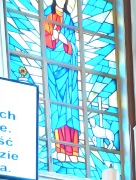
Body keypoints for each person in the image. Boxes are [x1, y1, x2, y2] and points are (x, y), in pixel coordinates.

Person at [44, 0, 81, 163]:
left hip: (68, 72)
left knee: (70, 110)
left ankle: (72, 151)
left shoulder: (68, 20)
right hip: (53, 68)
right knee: (58, 109)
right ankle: (60, 149)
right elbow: (46, 44)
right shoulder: (48, 16)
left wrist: (64, 40)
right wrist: (53, 38)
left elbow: (74, 47)